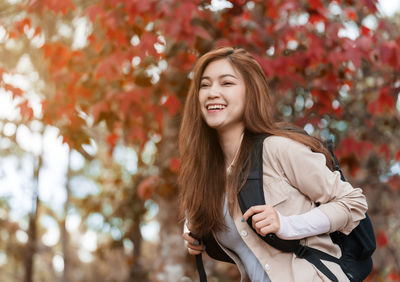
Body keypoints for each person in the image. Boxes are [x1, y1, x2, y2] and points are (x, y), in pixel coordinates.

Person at [178, 47, 368, 282]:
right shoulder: (206, 176)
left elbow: (353, 203)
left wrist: (288, 225)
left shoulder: (277, 149)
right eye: (205, 85)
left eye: (226, 83)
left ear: (251, 93)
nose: (212, 92)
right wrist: (196, 236)